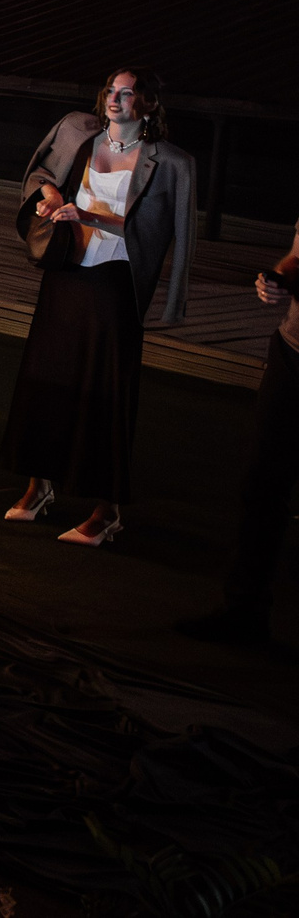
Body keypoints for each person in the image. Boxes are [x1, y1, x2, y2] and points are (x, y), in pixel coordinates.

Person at [2, 70, 196, 547]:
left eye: (127, 93)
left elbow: (166, 234)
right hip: (67, 272)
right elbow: (39, 173)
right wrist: (51, 196)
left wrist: (88, 215)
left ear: (147, 104)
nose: (115, 98)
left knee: (106, 392)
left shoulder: (172, 162)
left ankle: (107, 511)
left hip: (115, 285)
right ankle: (39, 485)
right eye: (112, 90)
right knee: (46, 378)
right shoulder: (77, 131)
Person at [177, 222, 299, 644]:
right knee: (262, 484)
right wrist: (279, 279)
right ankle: (245, 613)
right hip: (291, 351)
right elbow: (297, 256)